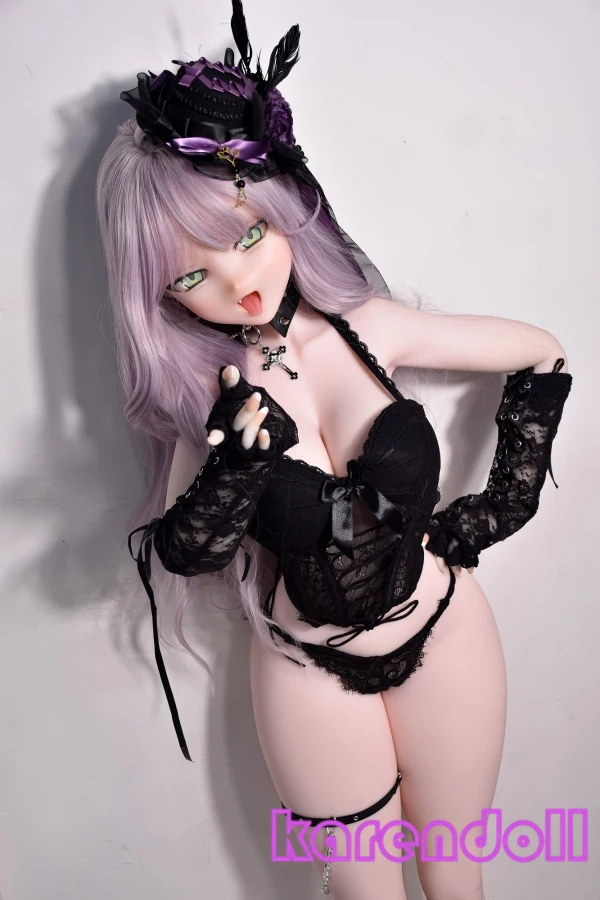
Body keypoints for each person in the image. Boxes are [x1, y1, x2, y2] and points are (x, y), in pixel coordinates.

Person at [96, 2, 573, 896]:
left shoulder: (372, 328)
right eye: (192, 274)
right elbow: (181, 550)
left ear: (287, 206)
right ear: (158, 296)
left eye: (248, 235)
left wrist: (501, 504)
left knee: (457, 876)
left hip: (446, 625)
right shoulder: (211, 403)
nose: (240, 284)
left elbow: (543, 352)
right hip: (307, 674)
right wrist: (236, 465)